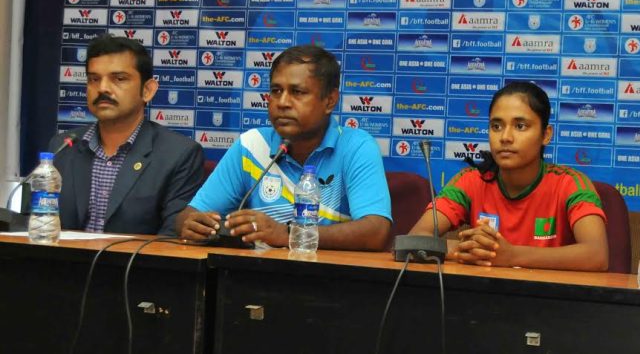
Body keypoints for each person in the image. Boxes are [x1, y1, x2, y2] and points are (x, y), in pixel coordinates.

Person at [176, 45, 391, 249]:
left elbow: (376, 232)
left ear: (330, 100)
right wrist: (192, 224)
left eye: (297, 92)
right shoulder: (251, 145)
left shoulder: (356, 147)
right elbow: (189, 214)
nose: (282, 102)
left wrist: (288, 234)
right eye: (276, 91)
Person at [408, 81, 608, 271]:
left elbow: (597, 254)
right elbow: (415, 238)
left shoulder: (570, 184)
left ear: (546, 135)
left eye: (520, 126)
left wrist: (511, 256)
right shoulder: (471, 180)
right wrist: (467, 250)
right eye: (497, 126)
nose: (505, 137)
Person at [50, 33, 204, 235]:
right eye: (94, 79)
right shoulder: (62, 147)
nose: (103, 88)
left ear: (147, 90)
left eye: (119, 79)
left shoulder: (178, 155)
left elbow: (173, 238)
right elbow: (36, 222)